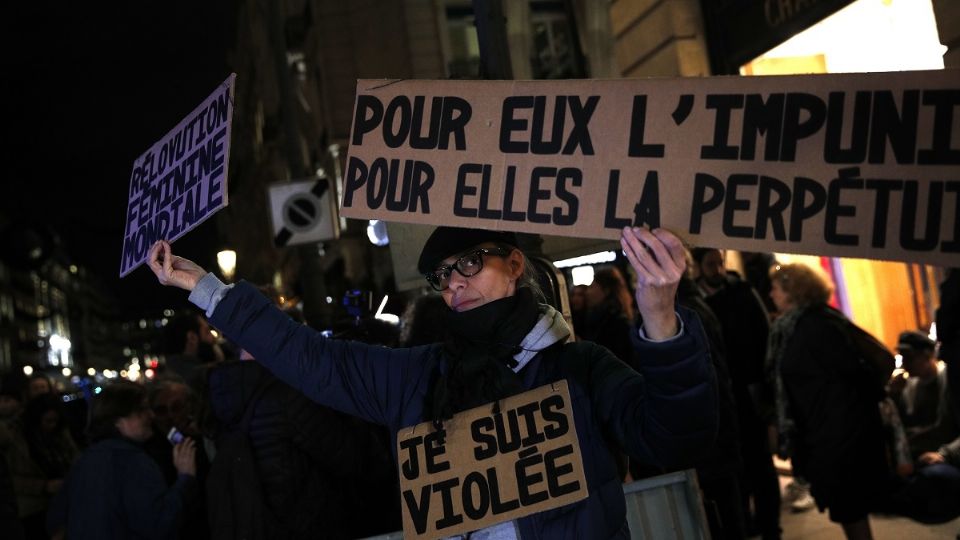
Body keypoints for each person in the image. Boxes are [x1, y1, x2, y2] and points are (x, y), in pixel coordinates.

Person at [147, 225, 718, 538]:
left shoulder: (581, 367)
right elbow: (314, 361)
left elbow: (675, 438)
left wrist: (661, 318)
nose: (454, 285)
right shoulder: (422, 375)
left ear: (514, 264)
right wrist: (208, 291)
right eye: (443, 276)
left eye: (469, 263)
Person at [767, 263, 889, 540]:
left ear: (793, 291)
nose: (771, 294)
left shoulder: (816, 325)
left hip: (838, 432)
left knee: (849, 505)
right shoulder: (796, 326)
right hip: (826, 428)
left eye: (775, 288)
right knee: (847, 506)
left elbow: (859, 370)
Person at [691, 247, 783, 534]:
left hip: (748, 391)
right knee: (735, 470)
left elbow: (762, 335)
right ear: (698, 266)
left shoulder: (741, 292)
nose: (717, 270)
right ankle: (747, 523)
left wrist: (764, 387)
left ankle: (770, 527)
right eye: (710, 264)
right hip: (721, 396)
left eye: (720, 263)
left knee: (760, 466)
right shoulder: (696, 301)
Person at [47, 381, 198, 540]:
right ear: (117, 421)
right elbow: (158, 524)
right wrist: (185, 480)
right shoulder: (133, 462)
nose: (151, 415)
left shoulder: (85, 460)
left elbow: (56, 520)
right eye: (141, 410)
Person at [5, 394, 78, 539]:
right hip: (31, 509)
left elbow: (74, 459)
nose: (52, 425)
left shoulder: (60, 435)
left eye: (55, 421)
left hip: (61, 504)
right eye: (48, 421)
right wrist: (43, 486)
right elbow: (9, 478)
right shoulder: (14, 438)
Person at [580, 267, 636, 364]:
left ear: (606, 290)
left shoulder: (616, 323)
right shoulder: (600, 317)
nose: (587, 292)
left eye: (592, 287)